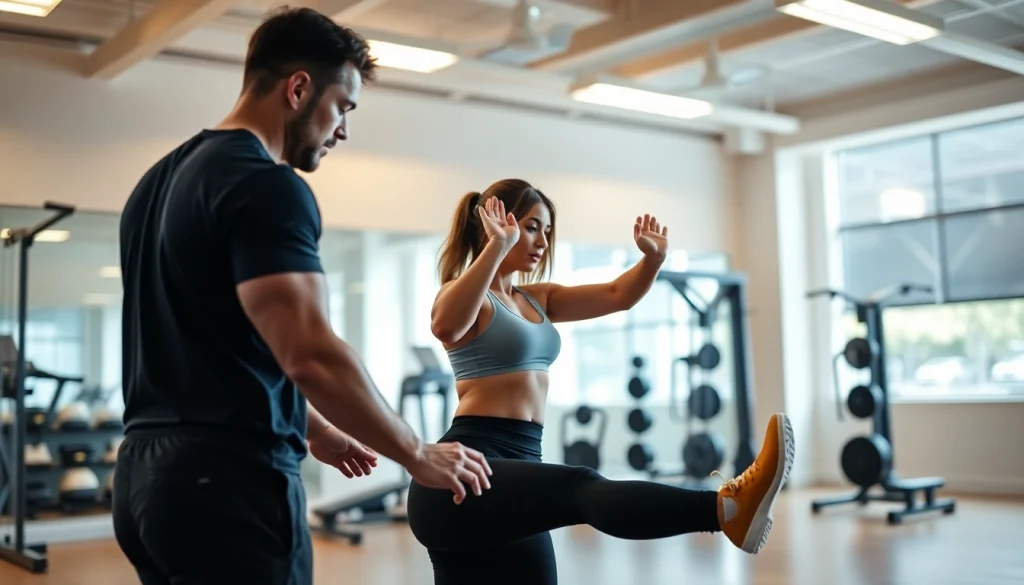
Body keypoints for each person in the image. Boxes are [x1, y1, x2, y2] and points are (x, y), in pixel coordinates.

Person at [112, 7, 492, 585]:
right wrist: (416, 453)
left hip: (144, 482)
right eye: (343, 106)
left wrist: (316, 429)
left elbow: (225, 346)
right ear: (298, 88)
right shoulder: (269, 185)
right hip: (230, 487)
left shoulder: (158, 182)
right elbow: (309, 353)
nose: (343, 129)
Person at [405, 179, 795, 585]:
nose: (542, 241)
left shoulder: (537, 298)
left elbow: (616, 294)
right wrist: (497, 246)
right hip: (466, 467)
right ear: (497, 223)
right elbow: (446, 325)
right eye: (532, 226)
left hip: (518, 465)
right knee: (580, 486)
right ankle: (727, 509)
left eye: (548, 231)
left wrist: (652, 261)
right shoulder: (467, 294)